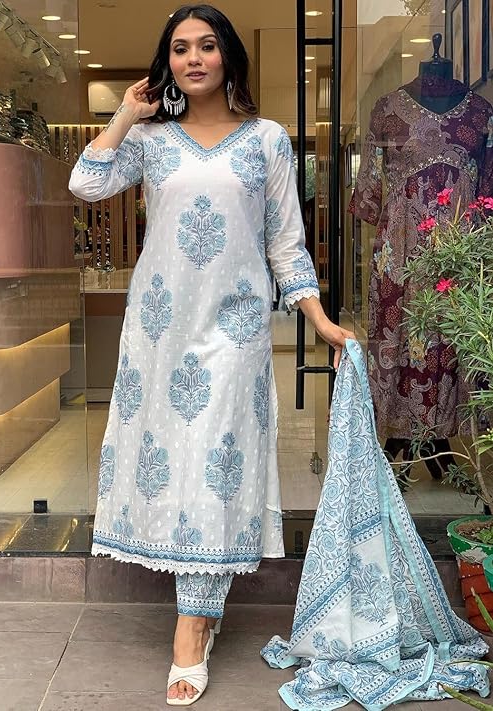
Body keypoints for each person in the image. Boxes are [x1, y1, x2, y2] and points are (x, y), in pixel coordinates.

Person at [69, 4, 354, 705]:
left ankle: (191, 630)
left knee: (213, 468)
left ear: (228, 55)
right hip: (160, 332)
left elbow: (285, 241)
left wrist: (320, 319)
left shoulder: (266, 141)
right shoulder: (150, 141)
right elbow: (86, 183)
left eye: (205, 45)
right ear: (166, 63)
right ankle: (204, 605)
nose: (192, 58)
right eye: (179, 49)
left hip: (235, 332)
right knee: (175, 465)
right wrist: (125, 115)